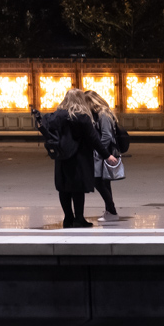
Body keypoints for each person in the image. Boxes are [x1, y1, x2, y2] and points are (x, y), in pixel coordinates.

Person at [53, 89, 118, 227]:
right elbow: (94, 138)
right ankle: (79, 219)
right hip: (79, 157)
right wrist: (107, 155)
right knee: (78, 189)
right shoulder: (82, 117)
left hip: (62, 156)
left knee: (64, 188)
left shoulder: (58, 115)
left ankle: (67, 218)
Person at [85, 90, 120, 222]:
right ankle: (110, 210)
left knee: (98, 181)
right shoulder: (103, 113)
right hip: (105, 152)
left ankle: (111, 209)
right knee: (104, 182)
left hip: (104, 153)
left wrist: (100, 151)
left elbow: (106, 136)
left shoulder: (103, 114)